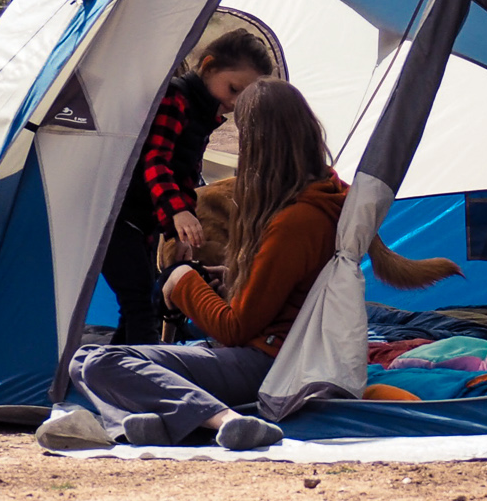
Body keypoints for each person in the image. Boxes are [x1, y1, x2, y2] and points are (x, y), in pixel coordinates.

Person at [53, 77, 339, 450]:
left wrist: (183, 283)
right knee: (89, 358)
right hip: (279, 351)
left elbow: (235, 328)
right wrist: (235, 279)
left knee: (100, 362)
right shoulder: (326, 197)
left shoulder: (295, 221)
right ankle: (150, 424)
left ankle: (225, 419)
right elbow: (289, 288)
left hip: (269, 361)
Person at [100, 29, 272, 344]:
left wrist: (174, 230)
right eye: (233, 89)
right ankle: (143, 379)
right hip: (116, 218)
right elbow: (155, 162)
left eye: (242, 99)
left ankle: (115, 370)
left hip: (145, 223)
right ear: (208, 67)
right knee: (140, 304)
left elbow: (186, 175)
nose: (233, 103)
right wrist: (178, 213)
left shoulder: (204, 115)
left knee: (142, 304)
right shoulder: (176, 99)